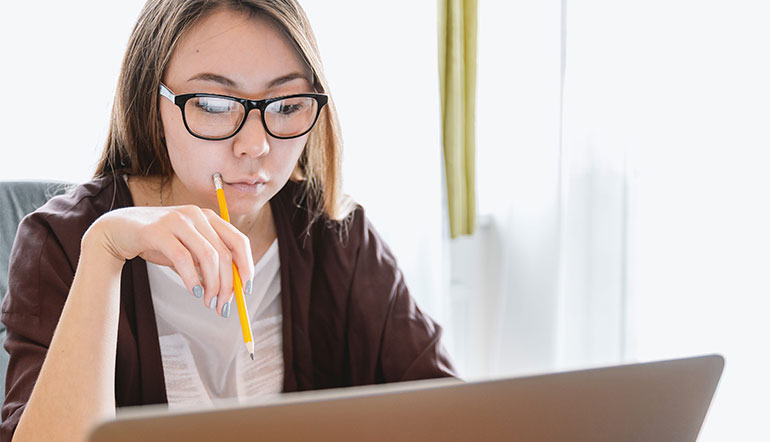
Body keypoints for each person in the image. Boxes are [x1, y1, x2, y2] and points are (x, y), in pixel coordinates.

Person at [0, 1, 456, 440]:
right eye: (215, 105)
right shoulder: (62, 242)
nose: (254, 145)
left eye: (287, 105)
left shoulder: (336, 234)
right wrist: (104, 254)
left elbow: (456, 415)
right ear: (151, 102)